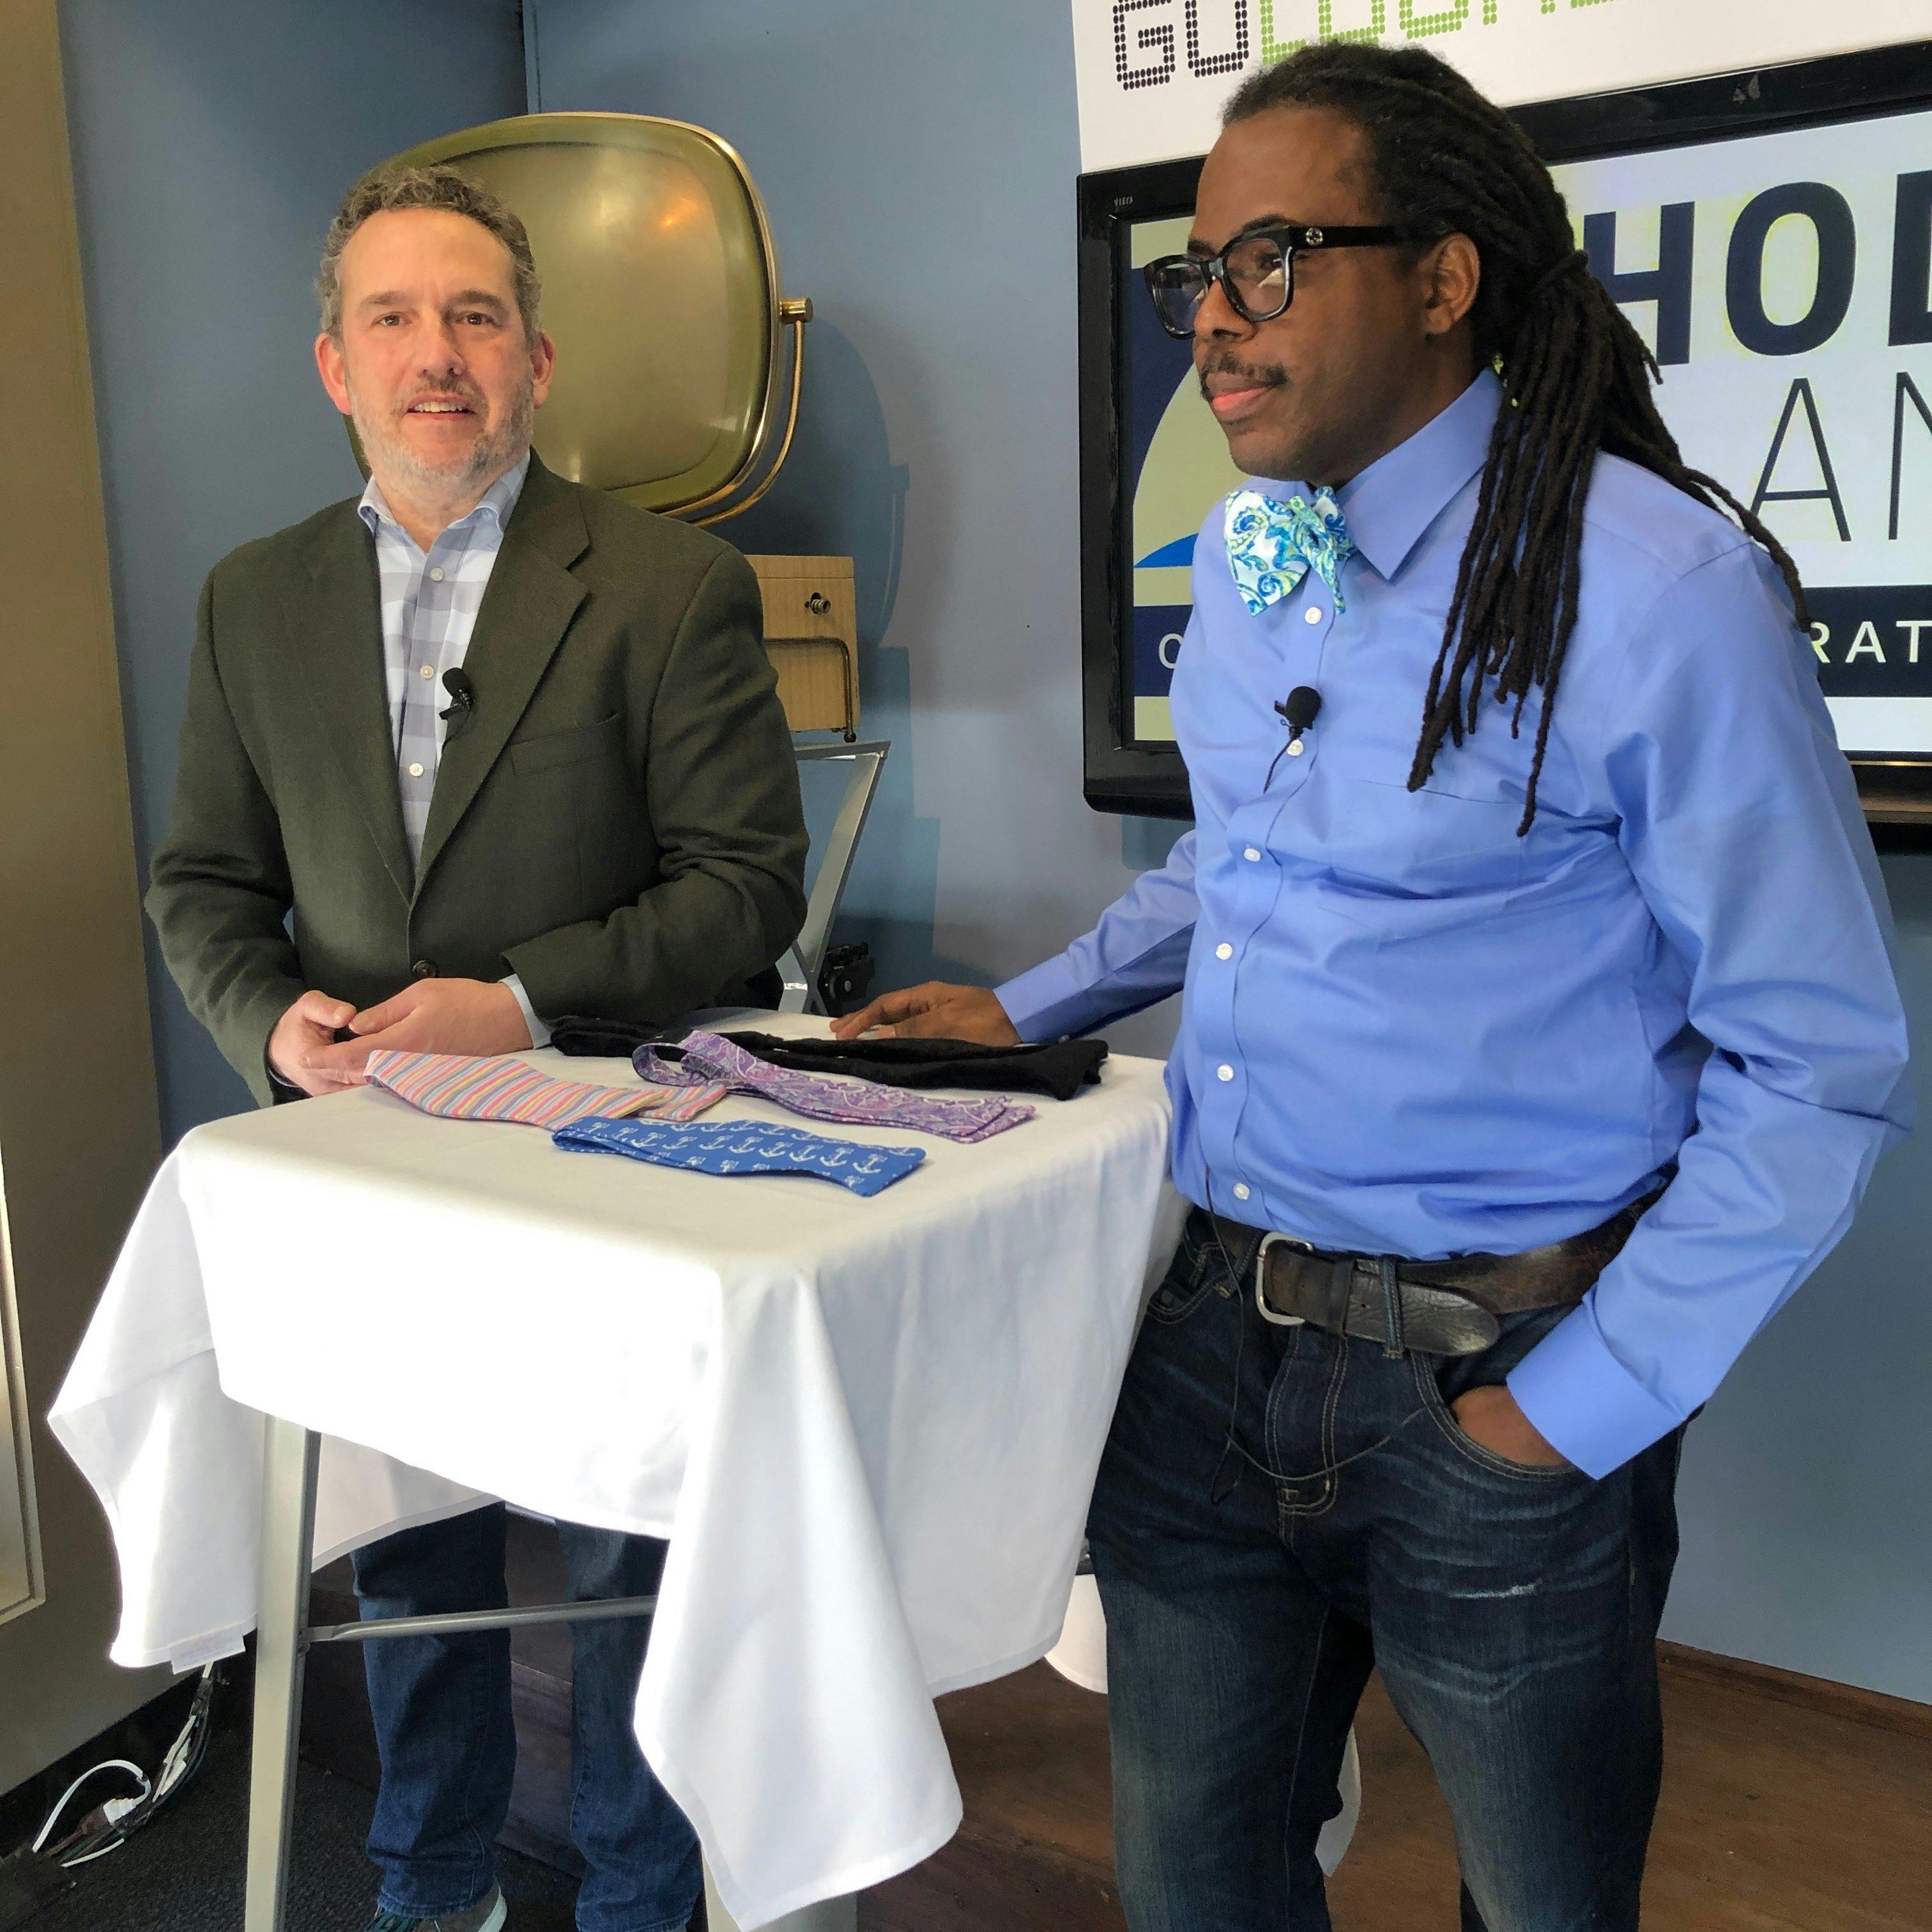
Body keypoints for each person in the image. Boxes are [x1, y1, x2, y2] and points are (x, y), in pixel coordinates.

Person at [834, 42, 1910, 1932]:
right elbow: (1242, 859)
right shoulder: (1260, 553)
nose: (1213, 318)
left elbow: (1816, 1063)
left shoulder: (1657, 593)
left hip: (1496, 1379)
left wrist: (1571, 1411)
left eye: (1270, 260)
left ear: (1441, 278)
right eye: (1197, 275)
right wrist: (1037, 1005)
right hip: (1207, 1346)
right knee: (1198, 1886)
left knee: (1541, 1904)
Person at [147, 164, 808, 1932]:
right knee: (405, 1554)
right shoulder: (249, 599)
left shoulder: (672, 584)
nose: (435, 353)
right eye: (393, 319)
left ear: (537, 359)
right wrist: (266, 1018)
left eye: (475, 317)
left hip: (615, 1169)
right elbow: (204, 882)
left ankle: (638, 1903)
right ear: (335, 367)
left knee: (631, 1570)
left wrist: (513, 999)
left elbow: (745, 887)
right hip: (372, 1169)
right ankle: (431, 1890)